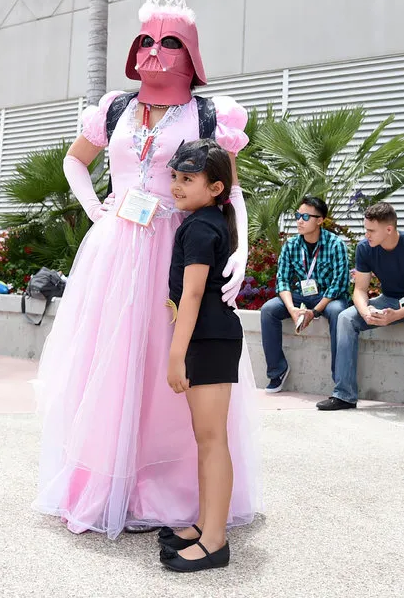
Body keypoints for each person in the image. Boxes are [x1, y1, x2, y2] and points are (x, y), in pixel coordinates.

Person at [32, 0, 260, 539]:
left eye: (171, 41)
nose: (157, 51)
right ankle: (110, 484)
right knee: (108, 367)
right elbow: (75, 160)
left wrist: (241, 246)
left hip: (180, 250)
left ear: (192, 52)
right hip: (115, 252)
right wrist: (95, 208)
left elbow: (231, 189)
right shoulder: (112, 108)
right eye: (148, 41)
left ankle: (174, 492)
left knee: (169, 366)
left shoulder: (211, 113)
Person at [156, 140, 244, 572]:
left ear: (214, 187)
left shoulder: (200, 227)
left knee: (211, 441)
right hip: (210, 338)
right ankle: (205, 524)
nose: (176, 185)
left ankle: (215, 541)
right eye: (174, 176)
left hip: (208, 340)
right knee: (207, 440)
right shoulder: (204, 222)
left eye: (187, 179)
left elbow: (191, 294)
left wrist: (176, 354)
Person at [317, 202, 404, 410]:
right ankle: (344, 395)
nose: (367, 235)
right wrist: (366, 313)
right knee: (346, 317)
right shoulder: (365, 249)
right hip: (390, 299)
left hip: (400, 306)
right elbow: (360, 290)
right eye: (366, 230)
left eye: (371, 230)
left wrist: (397, 315)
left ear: (389, 229)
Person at [260, 196, 350, 393]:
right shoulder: (291, 245)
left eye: (305, 216)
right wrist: (292, 309)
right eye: (297, 215)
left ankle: (340, 378)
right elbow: (282, 280)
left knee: (338, 313)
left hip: (329, 297)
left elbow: (338, 285)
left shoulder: (336, 245)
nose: (299, 220)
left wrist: (314, 312)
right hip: (301, 296)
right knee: (268, 310)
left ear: (319, 220)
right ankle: (277, 371)